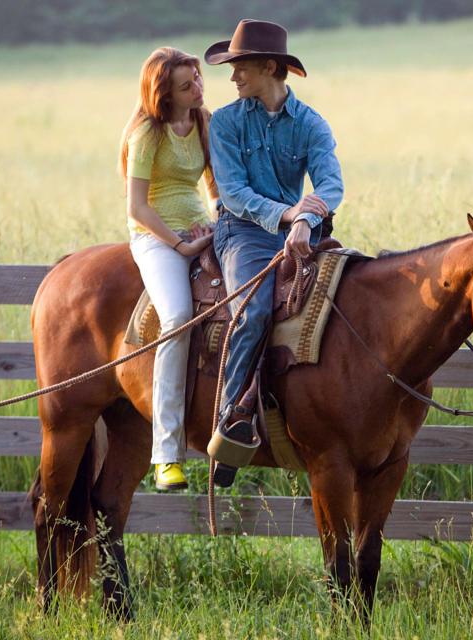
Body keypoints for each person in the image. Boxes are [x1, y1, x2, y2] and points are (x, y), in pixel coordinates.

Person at [204, 19, 343, 485]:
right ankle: (227, 425)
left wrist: (307, 218)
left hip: (297, 228)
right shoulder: (224, 123)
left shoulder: (310, 124)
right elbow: (235, 194)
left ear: (269, 67)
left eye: (240, 67)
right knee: (255, 311)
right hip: (241, 232)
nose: (233, 77)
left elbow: (329, 183)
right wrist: (291, 216)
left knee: (350, 299)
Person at [118, 46, 218, 491]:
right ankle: (166, 455)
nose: (198, 87)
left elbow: (216, 185)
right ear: (164, 93)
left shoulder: (203, 120)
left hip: (202, 230)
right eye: (187, 84)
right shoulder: (146, 133)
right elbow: (137, 207)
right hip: (157, 239)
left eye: (198, 78)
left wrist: (217, 226)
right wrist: (180, 243)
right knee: (177, 318)